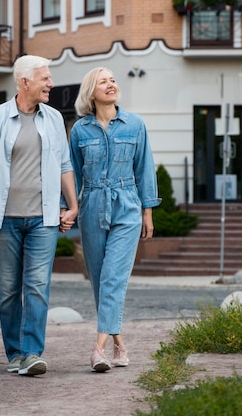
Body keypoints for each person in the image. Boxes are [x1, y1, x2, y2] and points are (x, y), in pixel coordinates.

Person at [0, 55, 78, 376]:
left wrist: (72, 205)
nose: (51, 84)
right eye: (45, 78)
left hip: (44, 219)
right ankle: (14, 354)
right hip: (4, 220)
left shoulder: (55, 118)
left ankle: (32, 353)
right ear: (25, 82)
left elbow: (64, 164)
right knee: (8, 291)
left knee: (36, 286)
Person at [69, 67, 161, 372]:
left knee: (112, 278)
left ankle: (98, 350)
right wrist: (67, 207)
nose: (111, 84)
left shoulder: (135, 125)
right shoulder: (80, 131)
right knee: (100, 281)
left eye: (112, 80)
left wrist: (148, 211)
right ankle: (120, 345)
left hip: (127, 205)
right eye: (103, 81)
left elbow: (145, 169)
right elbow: (69, 173)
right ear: (91, 93)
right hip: (92, 204)